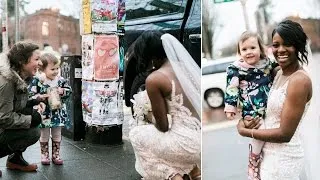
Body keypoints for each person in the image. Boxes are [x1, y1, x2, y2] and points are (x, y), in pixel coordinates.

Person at [237, 20, 313, 180]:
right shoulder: (277, 72)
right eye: (276, 45)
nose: (281, 50)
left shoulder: (299, 81)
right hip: (266, 154)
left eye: (287, 44)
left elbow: (285, 133)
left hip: (283, 159)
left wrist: (247, 132)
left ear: (298, 46)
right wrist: (243, 121)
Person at [128, 31, 201, 180]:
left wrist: (149, 116)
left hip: (185, 144)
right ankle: (195, 173)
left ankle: (174, 176)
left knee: (136, 135)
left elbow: (163, 126)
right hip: (200, 136)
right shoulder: (185, 68)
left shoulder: (155, 79)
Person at [224, 31, 278, 179]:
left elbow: (280, 67)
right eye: (244, 49)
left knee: (270, 132)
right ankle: (253, 160)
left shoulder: (267, 63)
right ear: (239, 52)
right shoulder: (237, 68)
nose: (248, 52)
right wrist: (230, 107)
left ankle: (263, 160)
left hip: (269, 106)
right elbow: (232, 88)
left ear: (260, 49)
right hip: (251, 108)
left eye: (252, 48)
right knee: (261, 132)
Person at [0, 42, 45, 177]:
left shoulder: (20, 76)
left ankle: (15, 160)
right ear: (21, 61)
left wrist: (34, 102)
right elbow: (3, 117)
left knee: (29, 116)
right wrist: (31, 119)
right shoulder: (6, 81)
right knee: (33, 132)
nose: (40, 63)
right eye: (36, 59)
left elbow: (16, 105)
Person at [28, 53, 72, 165]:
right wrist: (39, 99)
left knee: (57, 133)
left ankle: (56, 155)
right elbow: (31, 94)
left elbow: (69, 91)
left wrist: (63, 92)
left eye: (57, 68)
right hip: (44, 113)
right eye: (52, 69)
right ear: (43, 69)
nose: (56, 71)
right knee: (44, 134)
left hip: (58, 112)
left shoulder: (60, 80)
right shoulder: (38, 81)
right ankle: (44, 155)